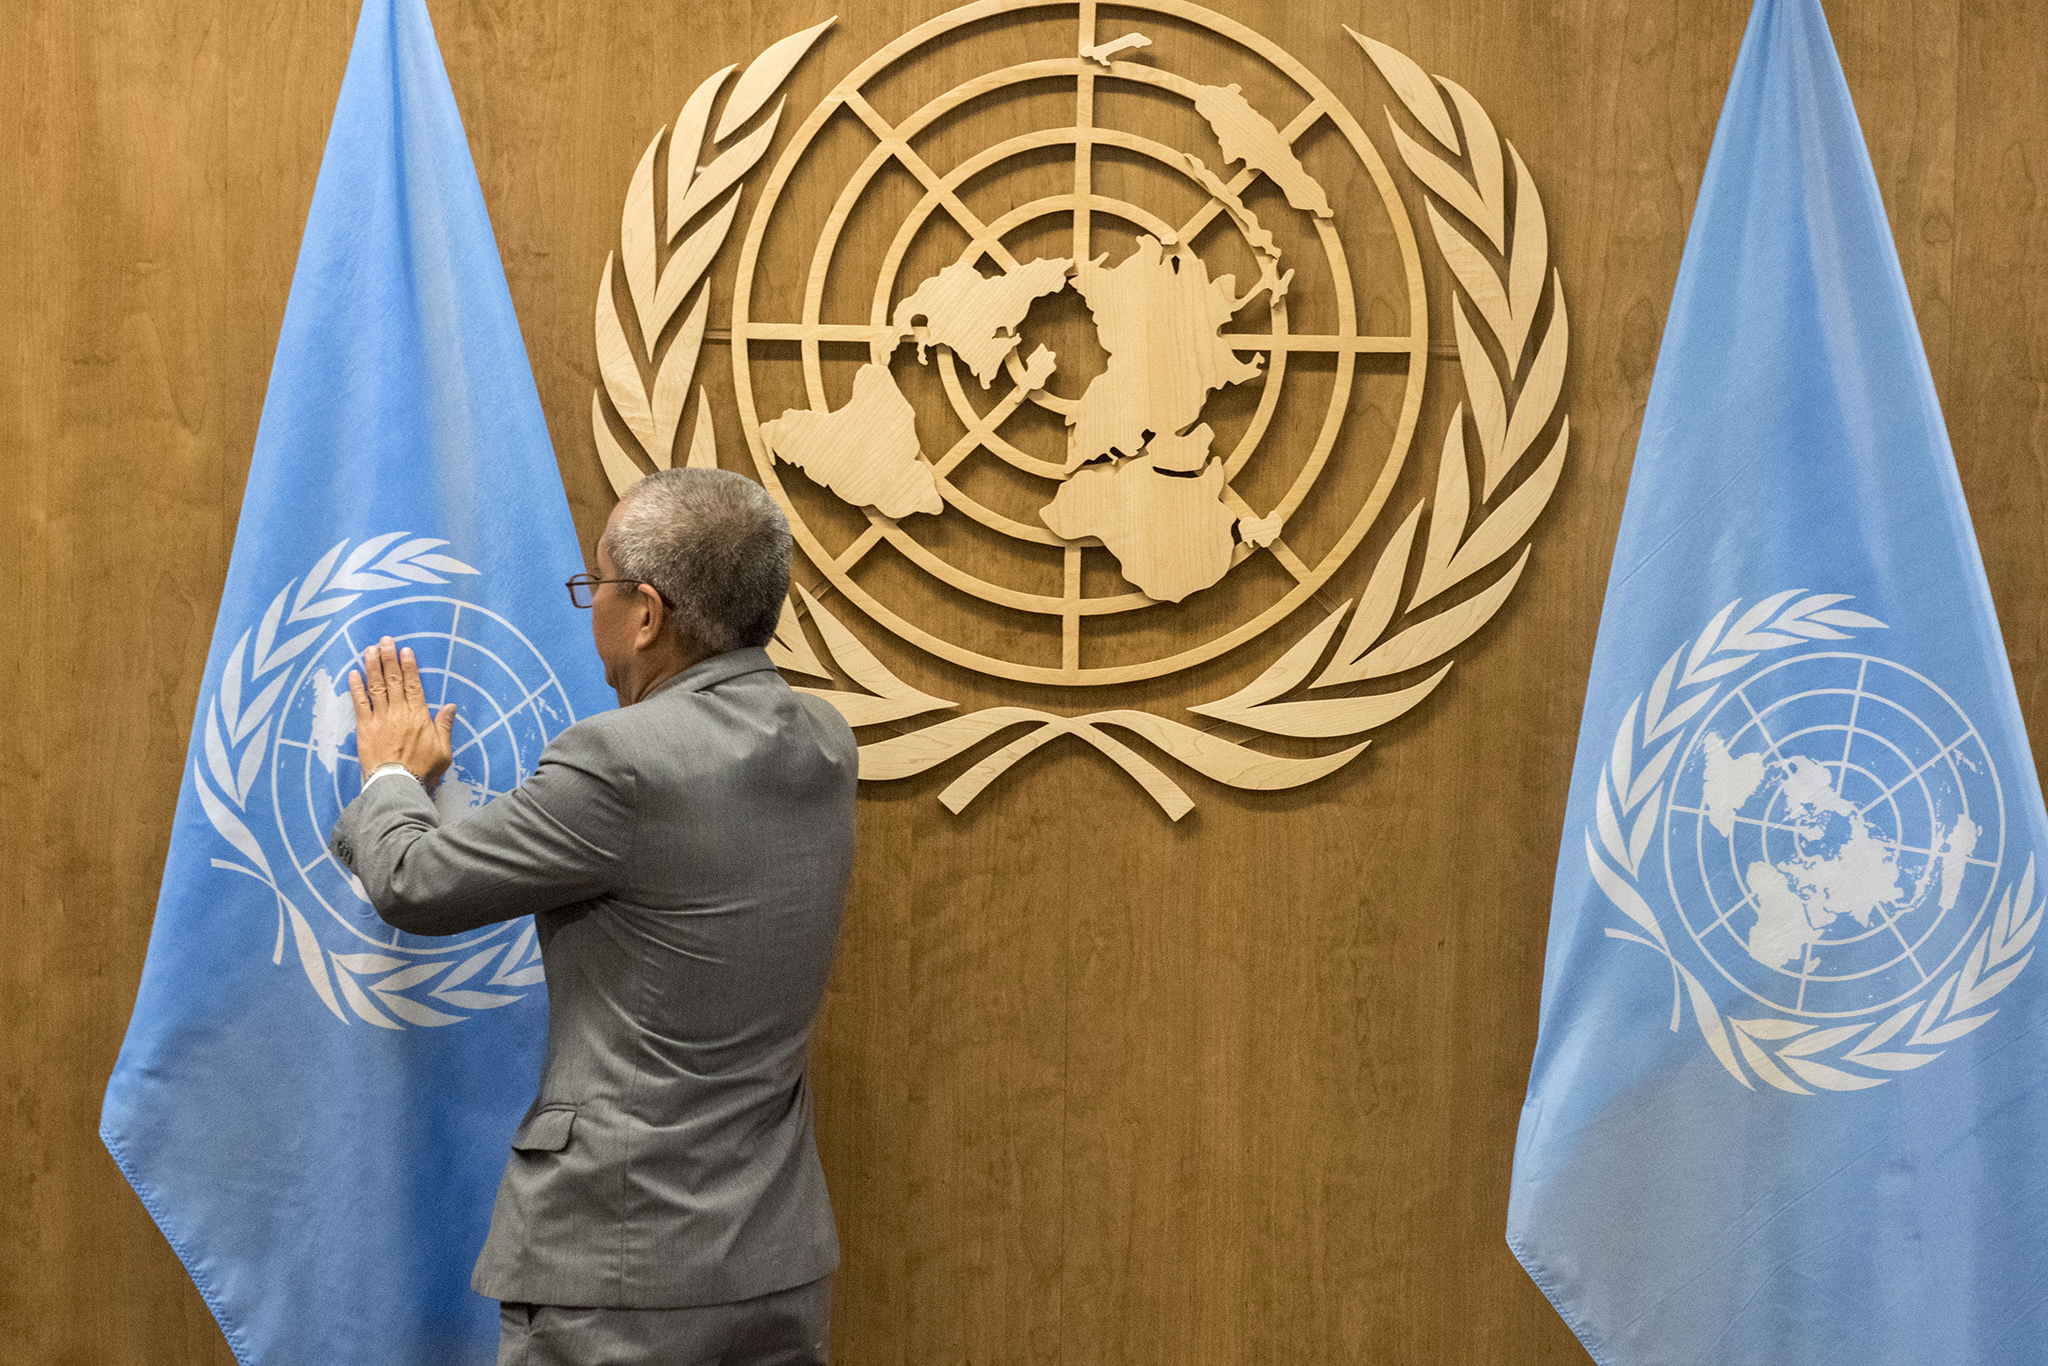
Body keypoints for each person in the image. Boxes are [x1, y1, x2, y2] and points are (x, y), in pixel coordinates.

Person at [327, 468, 858, 1366]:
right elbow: (638, 872)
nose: (592, 611)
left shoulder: (619, 759)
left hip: (618, 1278)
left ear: (646, 613)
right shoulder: (823, 742)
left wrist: (389, 773)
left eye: (596, 587)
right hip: (773, 1258)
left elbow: (414, 881)